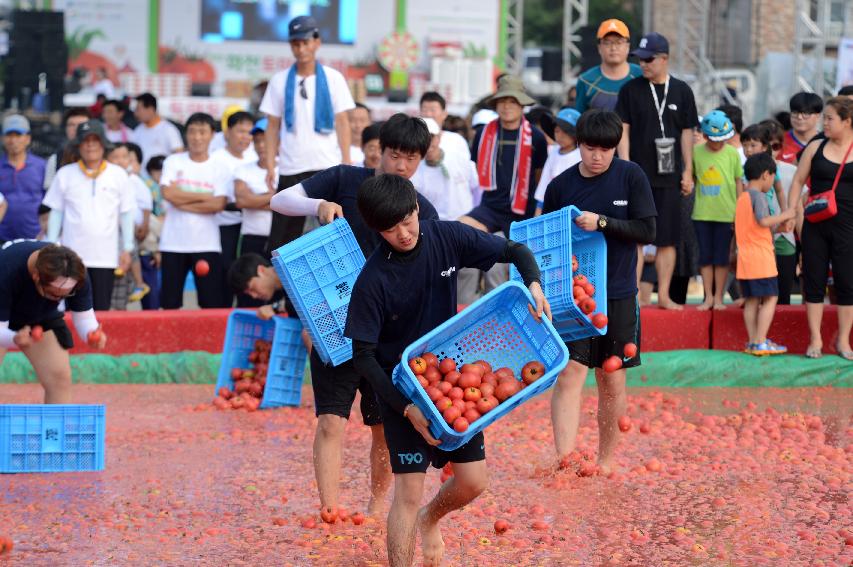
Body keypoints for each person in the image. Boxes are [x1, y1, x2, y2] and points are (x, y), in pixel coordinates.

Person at [345, 173, 548, 567]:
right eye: (390, 229)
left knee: (473, 482)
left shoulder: (447, 237)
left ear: (417, 208)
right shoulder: (372, 281)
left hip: (448, 376)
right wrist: (406, 407)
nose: (403, 234)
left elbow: (516, 250)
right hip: (401, 386)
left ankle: (430, 518)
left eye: (407, 220)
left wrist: (535, 285)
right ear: (376, 230)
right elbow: (363, 357)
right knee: (407, 492)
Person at [265, 113, 439, 520]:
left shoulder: (422, 211)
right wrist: (319, 204)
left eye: (411, 159)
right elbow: (279, 200)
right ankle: (329, 508)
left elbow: (427, 273)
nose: (401, 165)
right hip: (332, 326)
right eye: (395, 154)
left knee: (381, 426)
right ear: (379, 150)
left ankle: (377, 505)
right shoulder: (344, 179)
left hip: (386, 335)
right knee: (330, 420)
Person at [543, 109, 656, 474]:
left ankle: (605, 460)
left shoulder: (631, 176)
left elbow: (647, 230)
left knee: (612, 376)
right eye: (590, 148)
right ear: (578, 145)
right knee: (569, 372)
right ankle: (565, 458)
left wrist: (602, 222)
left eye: (606, 150)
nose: (597, 157)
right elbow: (547, 241)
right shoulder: (560, 186)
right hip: (574, 295)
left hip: (619, 292)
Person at [616, 32, 698, 310]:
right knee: (635, 239)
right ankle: (632, 296)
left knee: (667, 238)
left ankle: (663, 295)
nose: (644, 65)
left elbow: (687, 132)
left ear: (664, 59)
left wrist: (688, 170)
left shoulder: (682, 91)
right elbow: (623, 129)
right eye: (640, 60)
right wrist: (625, 165)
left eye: (649, 59)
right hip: (638, 175)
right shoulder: (630, 90)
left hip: (670, 176)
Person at [260, 15, 355, 252]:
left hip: (328, 165)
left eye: (305, 42)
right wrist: (271, 165)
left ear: (316, 42)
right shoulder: (279, 81)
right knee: (283, 239)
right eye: (295, 44)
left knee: (333, 235)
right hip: (291, 166)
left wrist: (346, 160)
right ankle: (280, 289)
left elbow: (343, 121)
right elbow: (272, 126)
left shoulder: (334, 78)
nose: (301, 49)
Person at [460, 76, 548, 303]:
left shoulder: (536, 137)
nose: (507, 106)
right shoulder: (483, 134)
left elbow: (539, 178)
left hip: (521, 212)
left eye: (513, 101)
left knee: (503, 263)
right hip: (490, 207)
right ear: (496, 104)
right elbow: (476, 169)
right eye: (503, 101)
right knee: (459, 230)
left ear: (522, 105)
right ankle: (463, 305)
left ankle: (503, 307)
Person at [786, 97, 853, 360]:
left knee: (848, 285)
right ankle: (815, 339)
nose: (824, 123)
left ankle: (844, 341)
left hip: (848, 227)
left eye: (830, 118)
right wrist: (792, 211)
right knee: (814, 282)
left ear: (847, 122)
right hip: (816, 225)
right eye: (824, 117)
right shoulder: (816, 147)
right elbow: (797, 181)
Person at [43, 120, 135, 311]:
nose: (90, 145)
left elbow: (126, 214)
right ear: (78, 145)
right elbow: (56, 213)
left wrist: (127, 248)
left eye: (95, 140)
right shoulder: (65, 174)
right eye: (85, 141)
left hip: (106, 257)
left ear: (103, 144)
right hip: (71, 259)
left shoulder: (118, 175)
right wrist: (51, 245)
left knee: (100, 311)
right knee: (71, 311)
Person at [0, 242, 108, 403]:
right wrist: (14, 339)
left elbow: (84, 317)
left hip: (41, 316)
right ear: (36, 276)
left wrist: (92, 334)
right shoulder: (6, 268)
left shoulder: (76, 273)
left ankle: (55, 428)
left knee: (59, 378)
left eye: (65, 295)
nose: (59, 299)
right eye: (53, 294)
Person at [158, 113, 229, 309]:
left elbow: (218, 205)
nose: (197, 137)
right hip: (173, 243)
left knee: (210, 302)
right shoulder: (173, 161)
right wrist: (205, 197)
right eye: (192, 132)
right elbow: (167, 193)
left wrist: (181, 201)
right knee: (169, 303)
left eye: (202, 132)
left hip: (206, 244)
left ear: (212, 135)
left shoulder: (220, 167)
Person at [736, 153, 796, 355]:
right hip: (761, 259)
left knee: (752, 300)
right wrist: (786, 214)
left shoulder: (743, 197)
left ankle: (753, 341)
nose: (772, 182)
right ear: (765, 175)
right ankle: (761, 341)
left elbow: (758, 227)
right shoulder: (759, 196)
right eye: (772, 177)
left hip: (745, 259)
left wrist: (779, 228)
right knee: (771, 297)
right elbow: (763, 221)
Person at [691, 110, 744, 310]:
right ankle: (708, 297)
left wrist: (740, 210)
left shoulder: (732, 153)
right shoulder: (696, 152)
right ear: (705, 136)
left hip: (726, 214)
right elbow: (693, 178)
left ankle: (719, 298)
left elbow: (738, 181)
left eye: (723, 139)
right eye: (714, 140)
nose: (719, 143)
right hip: (702, 213)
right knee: (705, 257)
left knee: (722, 258)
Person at [741, 123, 798, 305]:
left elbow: (780, 190)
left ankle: (768, 308)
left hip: (772, 224)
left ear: (764, 147)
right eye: (745, 145)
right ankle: (755, 303)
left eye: (753, 145)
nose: (748, 150)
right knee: (760, 272)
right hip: (758, 226)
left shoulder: (771, 166)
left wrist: (785, 213)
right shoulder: (746, 170)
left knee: (774, 269)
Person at [211, 111, 257, 306]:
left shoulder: (256, 155)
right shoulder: (216, 158)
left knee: (247, 274)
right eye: (240, 131)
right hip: (224, 224)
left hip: (250, 226)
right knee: (224, 274)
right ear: (227, 132)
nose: (245, 137)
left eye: (249, 132)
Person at [233, 118, 275, 307]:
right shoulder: (243, 169)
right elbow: (242, 201)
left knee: (275, 292)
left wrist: (255, 199)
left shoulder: (287, 169)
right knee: (248, 292)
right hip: (251, 238)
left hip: (278, 239)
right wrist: (274, 197)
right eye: (257, 141)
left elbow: (288, 205)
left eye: (265, 139)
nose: (260, 145)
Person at [104, 143, 152, 307]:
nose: (120, 161)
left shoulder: (132, 179)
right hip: (110, 229)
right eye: (115, 157)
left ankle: (139, 283)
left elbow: (147, 203)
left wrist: (144, 223)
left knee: (131, 251)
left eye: (124, 157)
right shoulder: (105, 178)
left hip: (129, 227)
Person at [410, 117, 480, 221]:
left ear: (439, 137)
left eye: (431, 137)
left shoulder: (460, 159)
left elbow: (477, 188)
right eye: (422, 139)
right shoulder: (412, 169)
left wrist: (475, 216)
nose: (427, 143)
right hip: (435, 226)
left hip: (465, 223)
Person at [574, 19, 643, 113]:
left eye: (619, 42)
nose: (613, 48)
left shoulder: (642, 76)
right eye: (607, 43)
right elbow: (579, 121)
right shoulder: (586, 81)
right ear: (599, 47)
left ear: (628, 46)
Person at [0, 115, 46, 244]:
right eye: (9, 135)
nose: (13, 140)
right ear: (3, 138)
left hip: (35, 237)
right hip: (2, 238)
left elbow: (49, 202)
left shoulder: (42, 166)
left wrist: (46, 232)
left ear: (28, 139)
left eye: (18, 135)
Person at [534, 107, 581, 212]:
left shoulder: (581, 155)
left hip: (574, 208)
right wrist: (538, 212)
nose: (560, 135)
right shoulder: (553, 152)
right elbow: (544, 184)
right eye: (557, 131)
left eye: (566, 132)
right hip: (552, 206)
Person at [140, 155, 166, 310]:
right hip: (151, 243)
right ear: (150, 171)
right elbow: (156, 218)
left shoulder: (165, 187)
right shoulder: (150, 186)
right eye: (157, 171)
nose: (160, 175)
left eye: (163, 171)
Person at [132, 92, 184, 168]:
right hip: (142, 178)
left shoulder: (168, 129)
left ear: (150, 109)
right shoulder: (138, 131)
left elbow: (178, 154)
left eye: (138, 109)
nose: (136, 114)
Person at [44, 108, 91, 190]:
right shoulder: (55, 159)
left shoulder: (104, 156)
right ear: (65, 129)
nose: (76, 129)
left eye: (81, 125)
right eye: (71, 125)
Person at [780, 92, 823, 164]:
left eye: (806, 113)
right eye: (795, 112)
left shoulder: (825, 143)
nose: (799, 117)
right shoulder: (779, 142)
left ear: (818, 116)